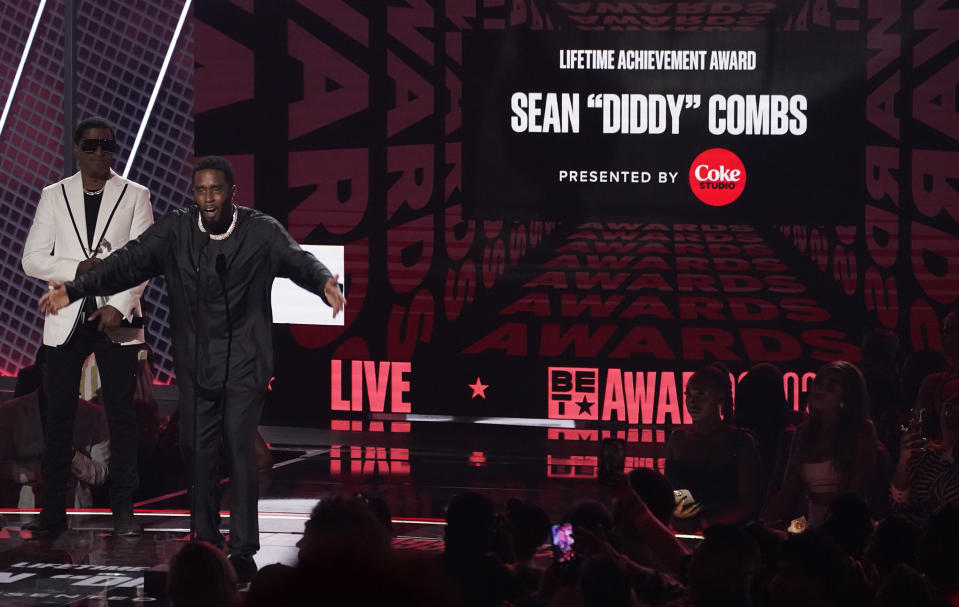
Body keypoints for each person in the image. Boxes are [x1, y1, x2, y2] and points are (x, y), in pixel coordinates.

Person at [36, 155, 345, 582]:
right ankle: (205, 540)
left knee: (238, 449)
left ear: (232, 193)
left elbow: (298, 260)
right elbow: (125, 262)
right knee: (195, 451)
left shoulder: (260, 231)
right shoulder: (176, 232)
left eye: (215, 190)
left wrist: (325, 282)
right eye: (200, 190)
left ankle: (242, 550)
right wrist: (73, 289)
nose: (208, 198)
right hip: (197, 364)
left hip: (245, 363)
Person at [21, 117, 153, 537]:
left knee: (122, 416)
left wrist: (119, 304)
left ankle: (124, 510)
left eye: (107, 146)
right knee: (58, 415)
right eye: (92, 146)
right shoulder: (54, 196)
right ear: (77, 148)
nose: (100, 153)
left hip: (117, 320)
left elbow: (144, 259)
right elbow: (33, 259)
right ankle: (53, 513)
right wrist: (77, 267)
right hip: (68, 317)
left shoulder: (135, 195)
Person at [763, 361, 881, 528]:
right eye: (818, 383)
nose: (819, 390)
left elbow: (857, 489)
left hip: (848, 523)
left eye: (831, 387)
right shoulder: (803, 432)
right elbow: (789, 488)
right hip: (808, 521)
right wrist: (764, 522)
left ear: (846, 397)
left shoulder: (861, 430)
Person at [0, 358, 109, 511]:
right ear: (43, 369)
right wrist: (38, 471)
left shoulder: (95, 416)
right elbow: (2, 464)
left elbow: (102, 473)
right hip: (24, 513)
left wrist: (71, 456)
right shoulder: (10, 412)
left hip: (75, 517)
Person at [665, 364, 762, 532]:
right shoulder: (678, 438)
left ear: (719, 398)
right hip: (686, 529)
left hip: (728, 534)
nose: (693, 401)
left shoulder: (740, 441)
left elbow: (750, 500)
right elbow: (674, 489)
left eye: (701, 395)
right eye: (689, 394)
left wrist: (705, 523)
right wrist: (683, 520)